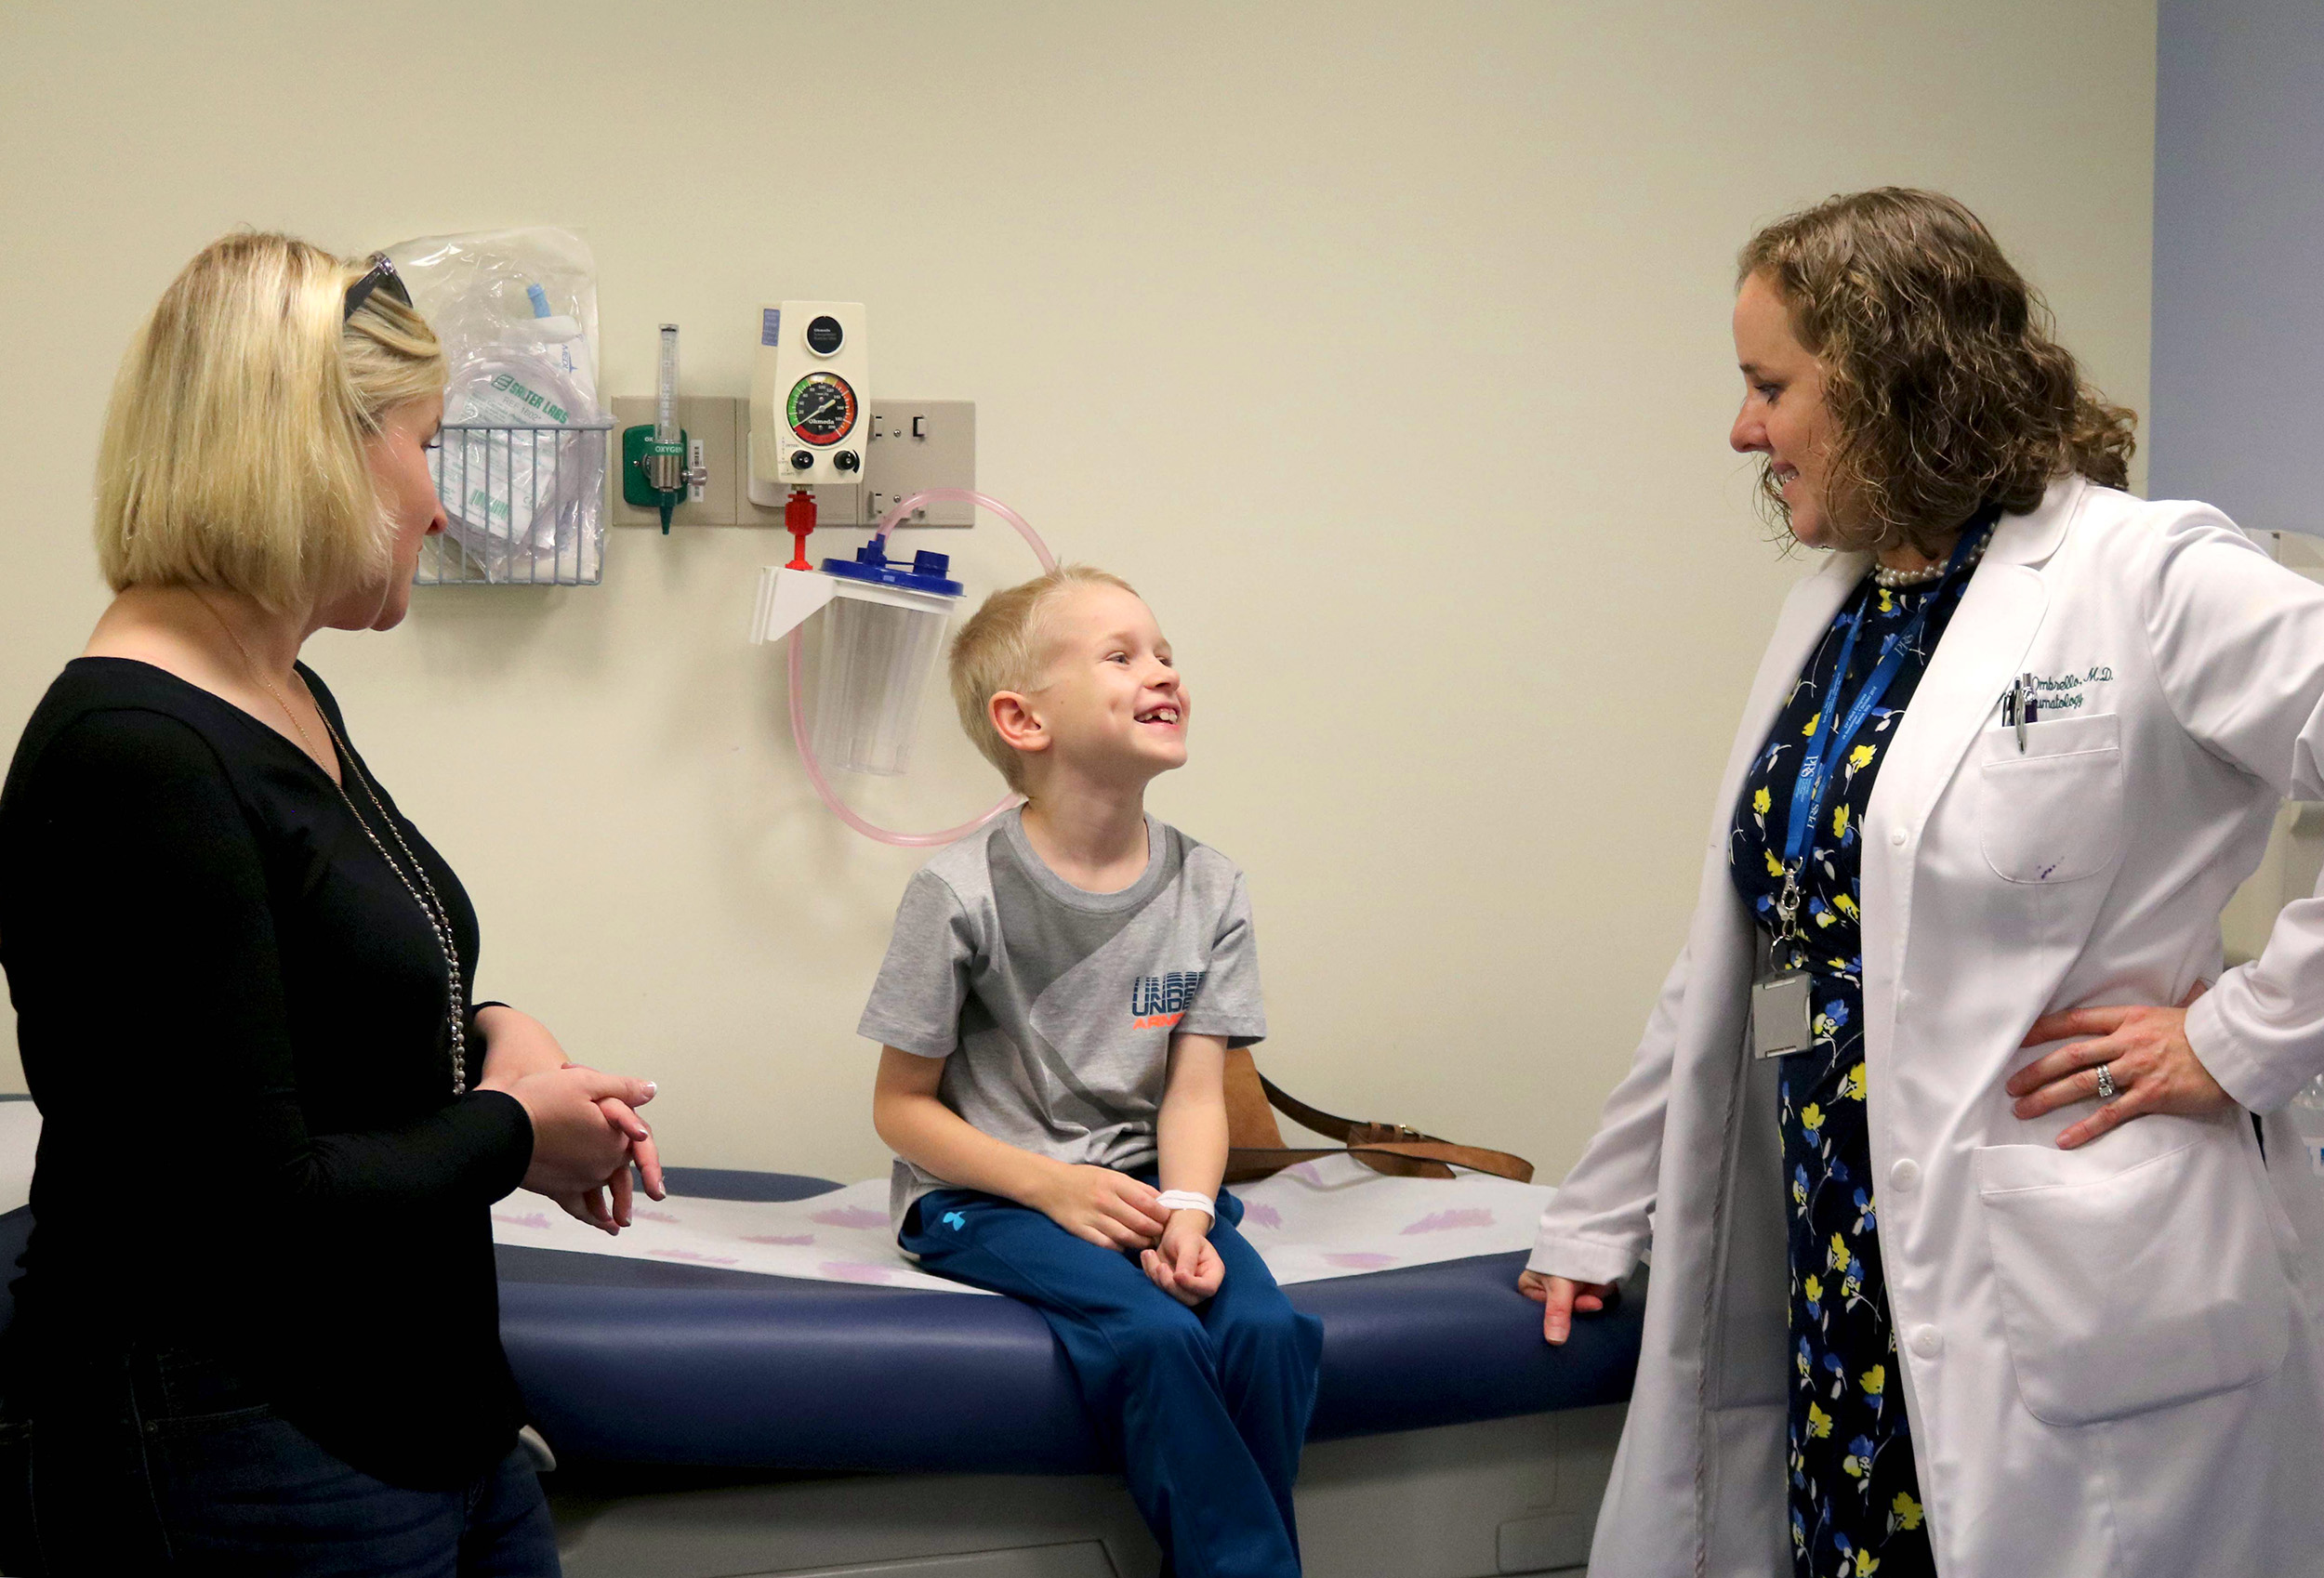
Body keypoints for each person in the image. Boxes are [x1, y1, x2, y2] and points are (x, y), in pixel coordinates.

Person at [1518, 189, 2324, 1578]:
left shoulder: (2149, 573)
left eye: (1768, 385)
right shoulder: (1837, 602)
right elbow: (1754, 958)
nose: (1742, 428)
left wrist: (2241, 1035)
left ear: (1892, 376)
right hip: (1840, 1271)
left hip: (2070, 1278)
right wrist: (1603, 1204)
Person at [0, 233, 667, 1576]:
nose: (437, 504)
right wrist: (509, 1131)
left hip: (425, 1410)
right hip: (248, 1431)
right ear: (314, 445)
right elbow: (257, 1200)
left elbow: (320, 1008)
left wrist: (498, 1029)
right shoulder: (135, 751)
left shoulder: (282, 696)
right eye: (425, 445)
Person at [864, 566, 1323, 1578]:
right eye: (1120, 657)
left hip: (1148, 1190)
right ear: (1023, 720)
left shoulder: (1209, 885)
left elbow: (1196, 1092)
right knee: (1153, 1335)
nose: (1161, 672)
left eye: (1163, 651)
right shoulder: (957, 892)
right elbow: (899, 1110)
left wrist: (1193, 1211)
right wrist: (1049, 1186)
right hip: (985, 1198)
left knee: (1267, 1330)